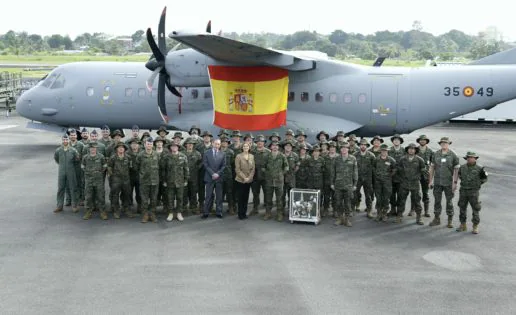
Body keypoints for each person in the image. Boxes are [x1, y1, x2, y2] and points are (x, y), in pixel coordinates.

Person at [428, 137, 459, 228]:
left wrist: (455, 183)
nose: (444, 144)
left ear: (449, 144)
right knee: (437, 201)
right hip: (437, 182)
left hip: (448, 183)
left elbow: (456, 169)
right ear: (440, 144)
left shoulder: (453, 155)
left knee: (449, 202)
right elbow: (432, 168)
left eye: (446, 143)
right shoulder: (436, 154)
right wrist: (430, 181)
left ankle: (450, 220)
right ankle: (437, 219)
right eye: (442, 143)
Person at [456, 151, 488, 234]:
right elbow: (459, 175)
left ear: (475, 159)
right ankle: (463, 225)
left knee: (475, 209)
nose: (470, 159)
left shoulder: (480, 168)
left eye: (472, 157)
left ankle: (475, 226)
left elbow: (484, 178)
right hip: (463, 191)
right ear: (466, 158)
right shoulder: (462, 167)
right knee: (462, 208)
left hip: (473, 192)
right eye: (469, 157)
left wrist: (478, 184)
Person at [396, 143, 426, 224]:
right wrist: (402, 178)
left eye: (413, 149)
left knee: (417, 201)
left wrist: (426, 181)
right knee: (401, 200)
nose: (411, 150)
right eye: (410, 148)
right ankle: (399, 215)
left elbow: (424, 171)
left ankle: (419, 217)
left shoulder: (420, 160)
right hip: (404, 183)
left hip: (415, 183)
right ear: (407, 150)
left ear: (415, 150)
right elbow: (398, 170)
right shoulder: (402, 159)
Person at [331, 142, 358, 227]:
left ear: (348, 149)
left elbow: (355, 172)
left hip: (348, 185)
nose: (344, 149)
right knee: (338, 203)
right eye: (342, 148)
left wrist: (355, 184)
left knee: (348, 203)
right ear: (340, 149)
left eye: (345, 148)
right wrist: (332, 183)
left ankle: (347, 219)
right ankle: (339, 218)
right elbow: (333, 172)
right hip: (338, 185)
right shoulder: (336, 159)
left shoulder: (353, 158)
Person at [162, 142, 189, 222]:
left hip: (180, 181)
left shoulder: (183, 156)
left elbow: (186, 169)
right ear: (170, 148)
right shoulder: (166, 157)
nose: (174, 148)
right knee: (170, 198)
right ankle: (170, 213)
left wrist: (186, 179)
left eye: (175, 146)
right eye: (172, 146)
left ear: (178, 147)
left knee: (180, 198)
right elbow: (163, 170)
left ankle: (179, 213)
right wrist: (164, 180)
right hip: (170, 181)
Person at [136, 137, 160, 223]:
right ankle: (145, 214)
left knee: (154, 199)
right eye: (147, 144)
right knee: (144, 199)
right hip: (144, 181)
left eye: (150, 144)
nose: (149, 145)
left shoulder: (156, 154)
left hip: (154, 181)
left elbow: (160, 166)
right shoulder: (140, 155)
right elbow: (137, 167)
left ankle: (152, 214)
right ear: (144, 145)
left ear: (152, 145)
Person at [54, 134, 80, 213]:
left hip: (71, 171)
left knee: (73, 188)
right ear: (62, 140)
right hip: (61, 171)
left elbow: (76, 159)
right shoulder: (58, 150)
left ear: (69, 140)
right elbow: (57, 159)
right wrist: (62, 165)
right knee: (61, 188)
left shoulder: (73, 150)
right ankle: (59, 206)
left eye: (66, 140)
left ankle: (74, 206)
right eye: (64, 140)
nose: (65, 141)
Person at [107, 142, 133, 219]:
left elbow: (131, 168)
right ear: (116, 149)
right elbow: (109, 168)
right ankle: (116, 210)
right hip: (116, 180)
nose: (121, 149)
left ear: (124, 149)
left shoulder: (128, 157)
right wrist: (111, 178)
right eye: (119, 147)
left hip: (126, 180)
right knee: (115, 195)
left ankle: (126, 209)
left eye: (122, 147)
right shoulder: (113, 158)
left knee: (127, 195)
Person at [82, 142, 108, 220]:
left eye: (94, 148)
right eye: (91, 148)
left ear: (96, 149)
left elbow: (104, 166)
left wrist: (98, 173)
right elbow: (83, 166)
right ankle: (88, 212)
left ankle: (102, 212)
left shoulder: (101, 157)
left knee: (100, 196)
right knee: (88, 197)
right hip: (89, 180)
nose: (93, 150)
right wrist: (88, 173)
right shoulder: (85, 157)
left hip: (98, 180)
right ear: (89, 149)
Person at [202, 139, 226, 218]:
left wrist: (218, 174)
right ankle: (206, 212)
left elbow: (223, 166)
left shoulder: (223, 154)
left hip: (219, 178)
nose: (217, 146)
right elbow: (205, 164)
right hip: (209, 177)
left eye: (218, 144)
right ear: (212, 144)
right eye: (216, 144)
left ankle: (219, 212)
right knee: (208, 196)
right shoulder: (206, 153)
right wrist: (212, 173)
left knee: (219, 196)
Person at [234, 142, 255, 219]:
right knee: (240, 198)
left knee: (246, 198)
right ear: (242, 147)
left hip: (249, 180)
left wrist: (249, 178)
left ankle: (244, 213)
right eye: (244, 146)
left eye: (247, 146)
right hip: (240, 180)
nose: (246, 147)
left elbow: (253, 169)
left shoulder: (252, 156)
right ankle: (240, 214)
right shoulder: (238, 156)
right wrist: (244, 178)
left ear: (249, 147)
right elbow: (237, 169)